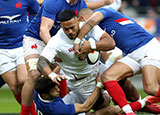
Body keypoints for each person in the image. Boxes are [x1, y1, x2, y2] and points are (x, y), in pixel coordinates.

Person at [21, 0, 115, 114]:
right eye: (67, 28)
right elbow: (43, 30)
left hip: (65, 45)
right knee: (35, 73)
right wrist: (55, 58)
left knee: (120, 76)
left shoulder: (81, 5)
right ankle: (25, 113)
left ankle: (67, 104)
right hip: (37, 38)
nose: (70, 30)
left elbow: (91, 30)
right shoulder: (53, 3)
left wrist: (89, 45)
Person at [74, 7, 160, 115]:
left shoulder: (102, 12)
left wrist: (77, 41)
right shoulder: (97, 32)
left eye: (81, 24)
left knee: (151, 88)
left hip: (147, 48)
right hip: (132, 54)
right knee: (108, 76)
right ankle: (129, 112)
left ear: (81, 18)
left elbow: (92, 21)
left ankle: (143, 104)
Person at [0, 0, 39, 114]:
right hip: (2, 50)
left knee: (24, 79)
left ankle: (35, 111)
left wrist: (31, 28)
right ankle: (34, 112)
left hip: (22, 44)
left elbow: (36, 11)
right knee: (14, 86)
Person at [34, 76, 122, 115]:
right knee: (110, 110)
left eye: (57, 87)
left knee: (78, 92)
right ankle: (130, 107)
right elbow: (86, 107)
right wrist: (99, 85)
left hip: (61, 105)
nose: (58, 90)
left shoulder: (38, 92)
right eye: (54, 90)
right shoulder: (56, 109)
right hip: (62, 111)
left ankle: (106, 93)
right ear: (45, 96)